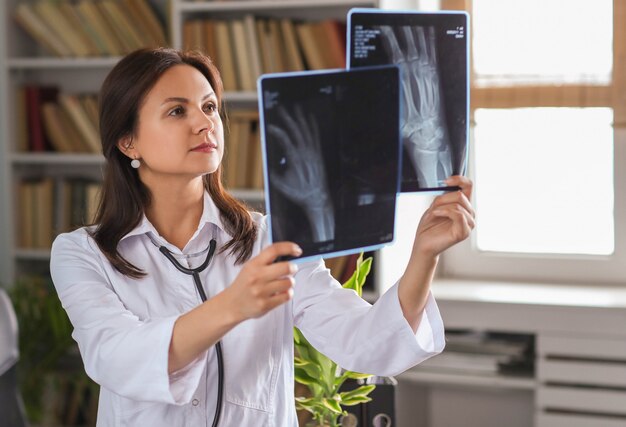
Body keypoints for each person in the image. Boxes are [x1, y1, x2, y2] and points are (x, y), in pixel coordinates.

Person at [49, 48, 475, 426]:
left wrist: (424, 256)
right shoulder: (83, 253)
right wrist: (233, 306)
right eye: (178, 111)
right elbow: (116, 357)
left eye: (210, 107)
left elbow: (365, 346)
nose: (205, 123)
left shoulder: (273, 237)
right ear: (128, 142)